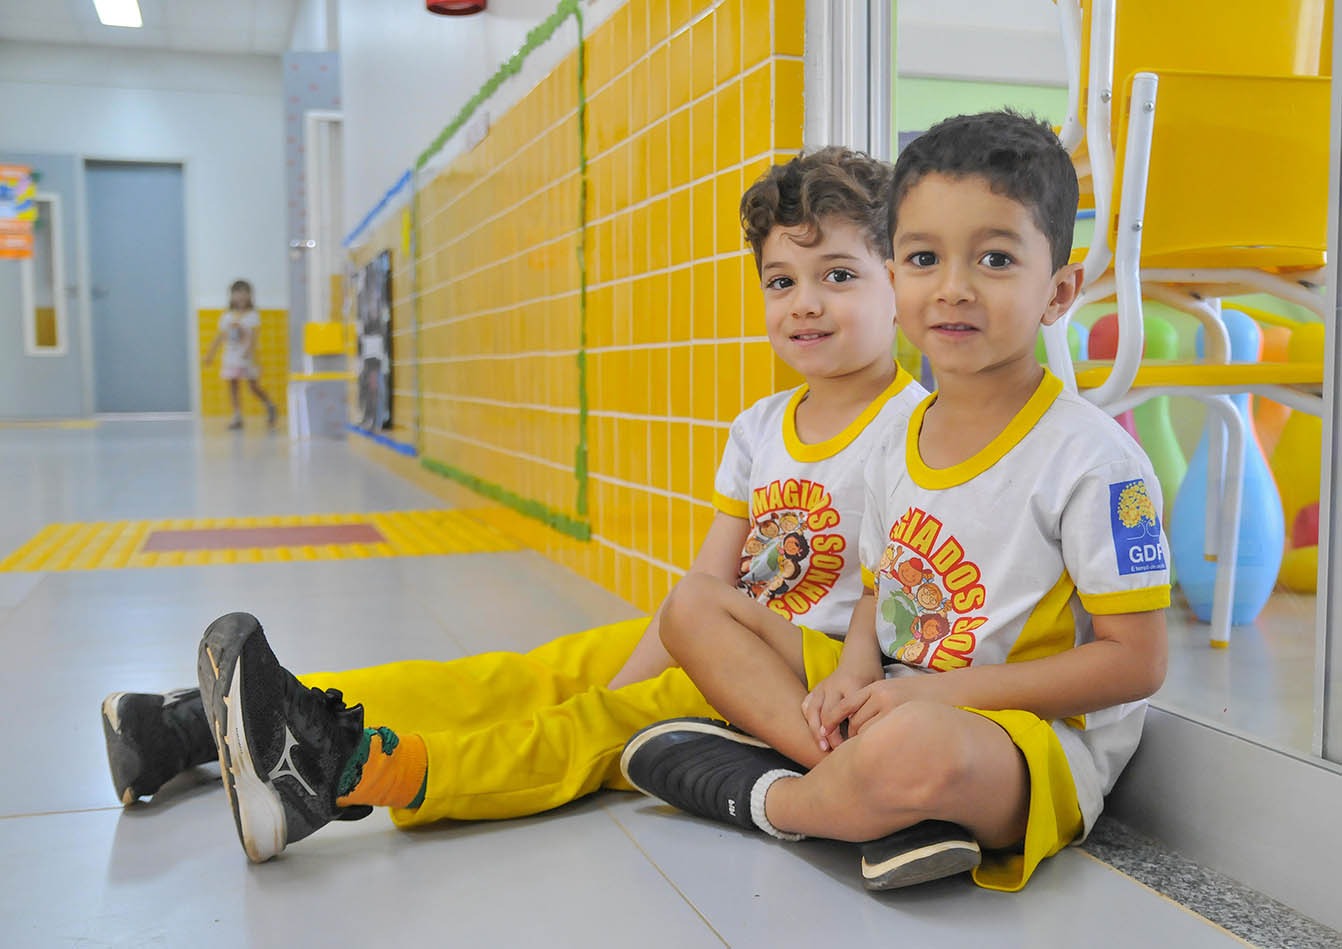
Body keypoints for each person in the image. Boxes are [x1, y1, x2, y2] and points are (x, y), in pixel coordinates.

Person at [101, 146, 931, 862]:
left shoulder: (917, 430)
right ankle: (202, 724)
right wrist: (642, 662)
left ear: (898, 283)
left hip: (806, 682)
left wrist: (628, 691)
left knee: (590, 721)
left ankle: (347, 772)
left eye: (838, 276)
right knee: (528, 676)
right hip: (723, 634)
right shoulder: (759, 427)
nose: (804, 302)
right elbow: (704, 585)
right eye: (781, 280)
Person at [620, 111, 1171, 895]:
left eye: (995, 258)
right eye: (922, 258)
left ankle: (775, 797)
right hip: (897, 683)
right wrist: (852, 673)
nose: (953, 287)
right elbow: (880, 591)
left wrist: (936, 693)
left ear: (1059, 292)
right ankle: (877, 795)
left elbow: (1138, 661)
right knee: (695, 607)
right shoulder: (899, 437)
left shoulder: (1097, 463)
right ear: (895, 277)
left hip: (1018, 736)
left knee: (919, 745)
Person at [203, 279, 278, 430]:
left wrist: (249, 353)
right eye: (237, 293)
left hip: (247, 358)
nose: (241, 296)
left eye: (245, 293)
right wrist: (210, 354)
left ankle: (269, 405)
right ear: (231, 296)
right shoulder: (227, 316)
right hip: (231, 357)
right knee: (233, 385)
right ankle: (237, 416)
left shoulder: (252, 316)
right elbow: (220, 337)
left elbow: (254, 337)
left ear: (250, 296)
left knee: (253, 386)